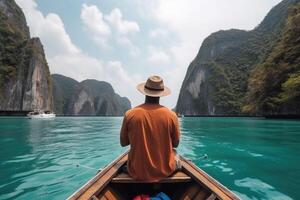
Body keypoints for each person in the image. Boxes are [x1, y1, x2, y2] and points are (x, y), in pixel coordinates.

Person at [120, 75, 181, 182]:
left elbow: (123, 143)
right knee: (175, 154)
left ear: (145, 91)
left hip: (136, 172)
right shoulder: (172, 116)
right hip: (165, 171)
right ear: (161, 94)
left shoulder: (130, 114)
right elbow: (175, 144)